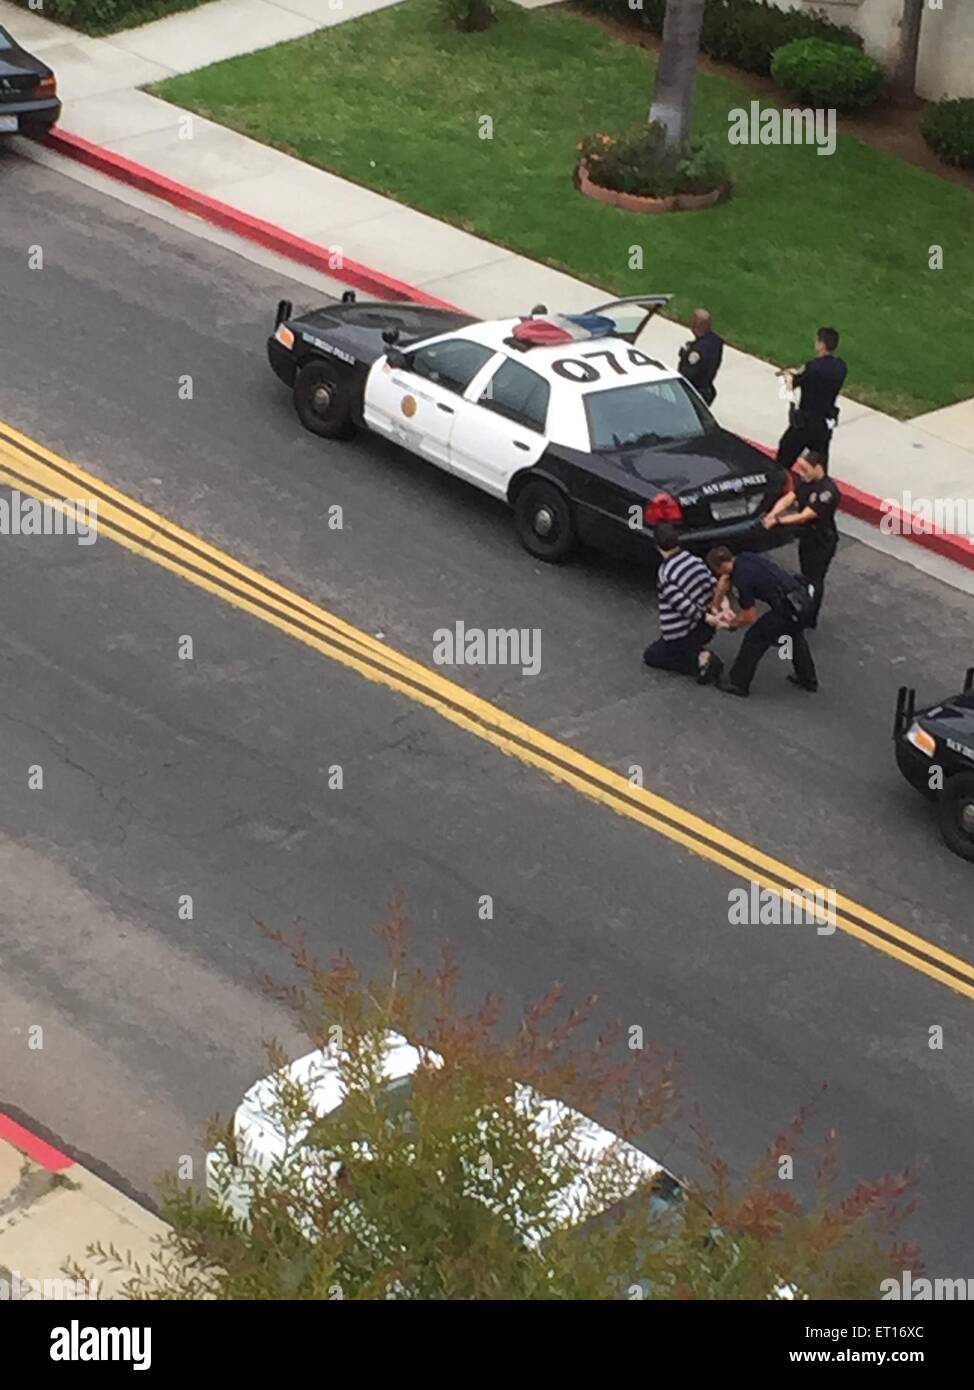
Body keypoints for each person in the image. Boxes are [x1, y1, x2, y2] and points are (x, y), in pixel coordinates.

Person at [705, 546, 817, 697]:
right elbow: (725, 580)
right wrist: (716, 606)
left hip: (788, 609)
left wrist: (732, 624)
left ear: (719, 567)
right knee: (793, 634)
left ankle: (738, 683)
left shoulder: (742, 580)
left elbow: (749, 616)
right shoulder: (746, 556)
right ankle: (808, 679)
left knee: (755, 637)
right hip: (802, 601)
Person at [761, 449, 840, 628]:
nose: (801, 473)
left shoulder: (826, 491)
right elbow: (789, 498)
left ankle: (810, 616)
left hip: (822, 541)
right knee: (805, 575)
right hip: (806, 537)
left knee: (814, 579)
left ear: (817, 467)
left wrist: (779, 521)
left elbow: (805, 515)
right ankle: (803, 607)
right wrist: (773, 513)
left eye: (805, 469)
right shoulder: (806, 483)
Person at [643, 524, 724, 684]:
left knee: (652, 656)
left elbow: (684, 606)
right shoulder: (695, 561)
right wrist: (717, 611)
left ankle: (701, 661)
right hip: (705, 629)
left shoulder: (666, 574)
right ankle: (695, 653)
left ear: (658, 546)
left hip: (683, 631)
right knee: (668, 648)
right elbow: (713, 586)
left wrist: (705, 617)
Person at [775, 327, 847, 470]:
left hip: (806, 423)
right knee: (819, 463)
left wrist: (789, 375)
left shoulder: (812, 367)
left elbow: (793, 383)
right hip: (824, 422)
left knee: (785, 454)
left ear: (821, 344)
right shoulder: (841, 367)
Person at [677, 308, 724, 407]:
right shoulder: (716, 341)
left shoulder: (697, 351)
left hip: (695, 393)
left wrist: (684, 355)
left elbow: (689, 374)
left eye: (694, 323)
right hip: (707, 389)